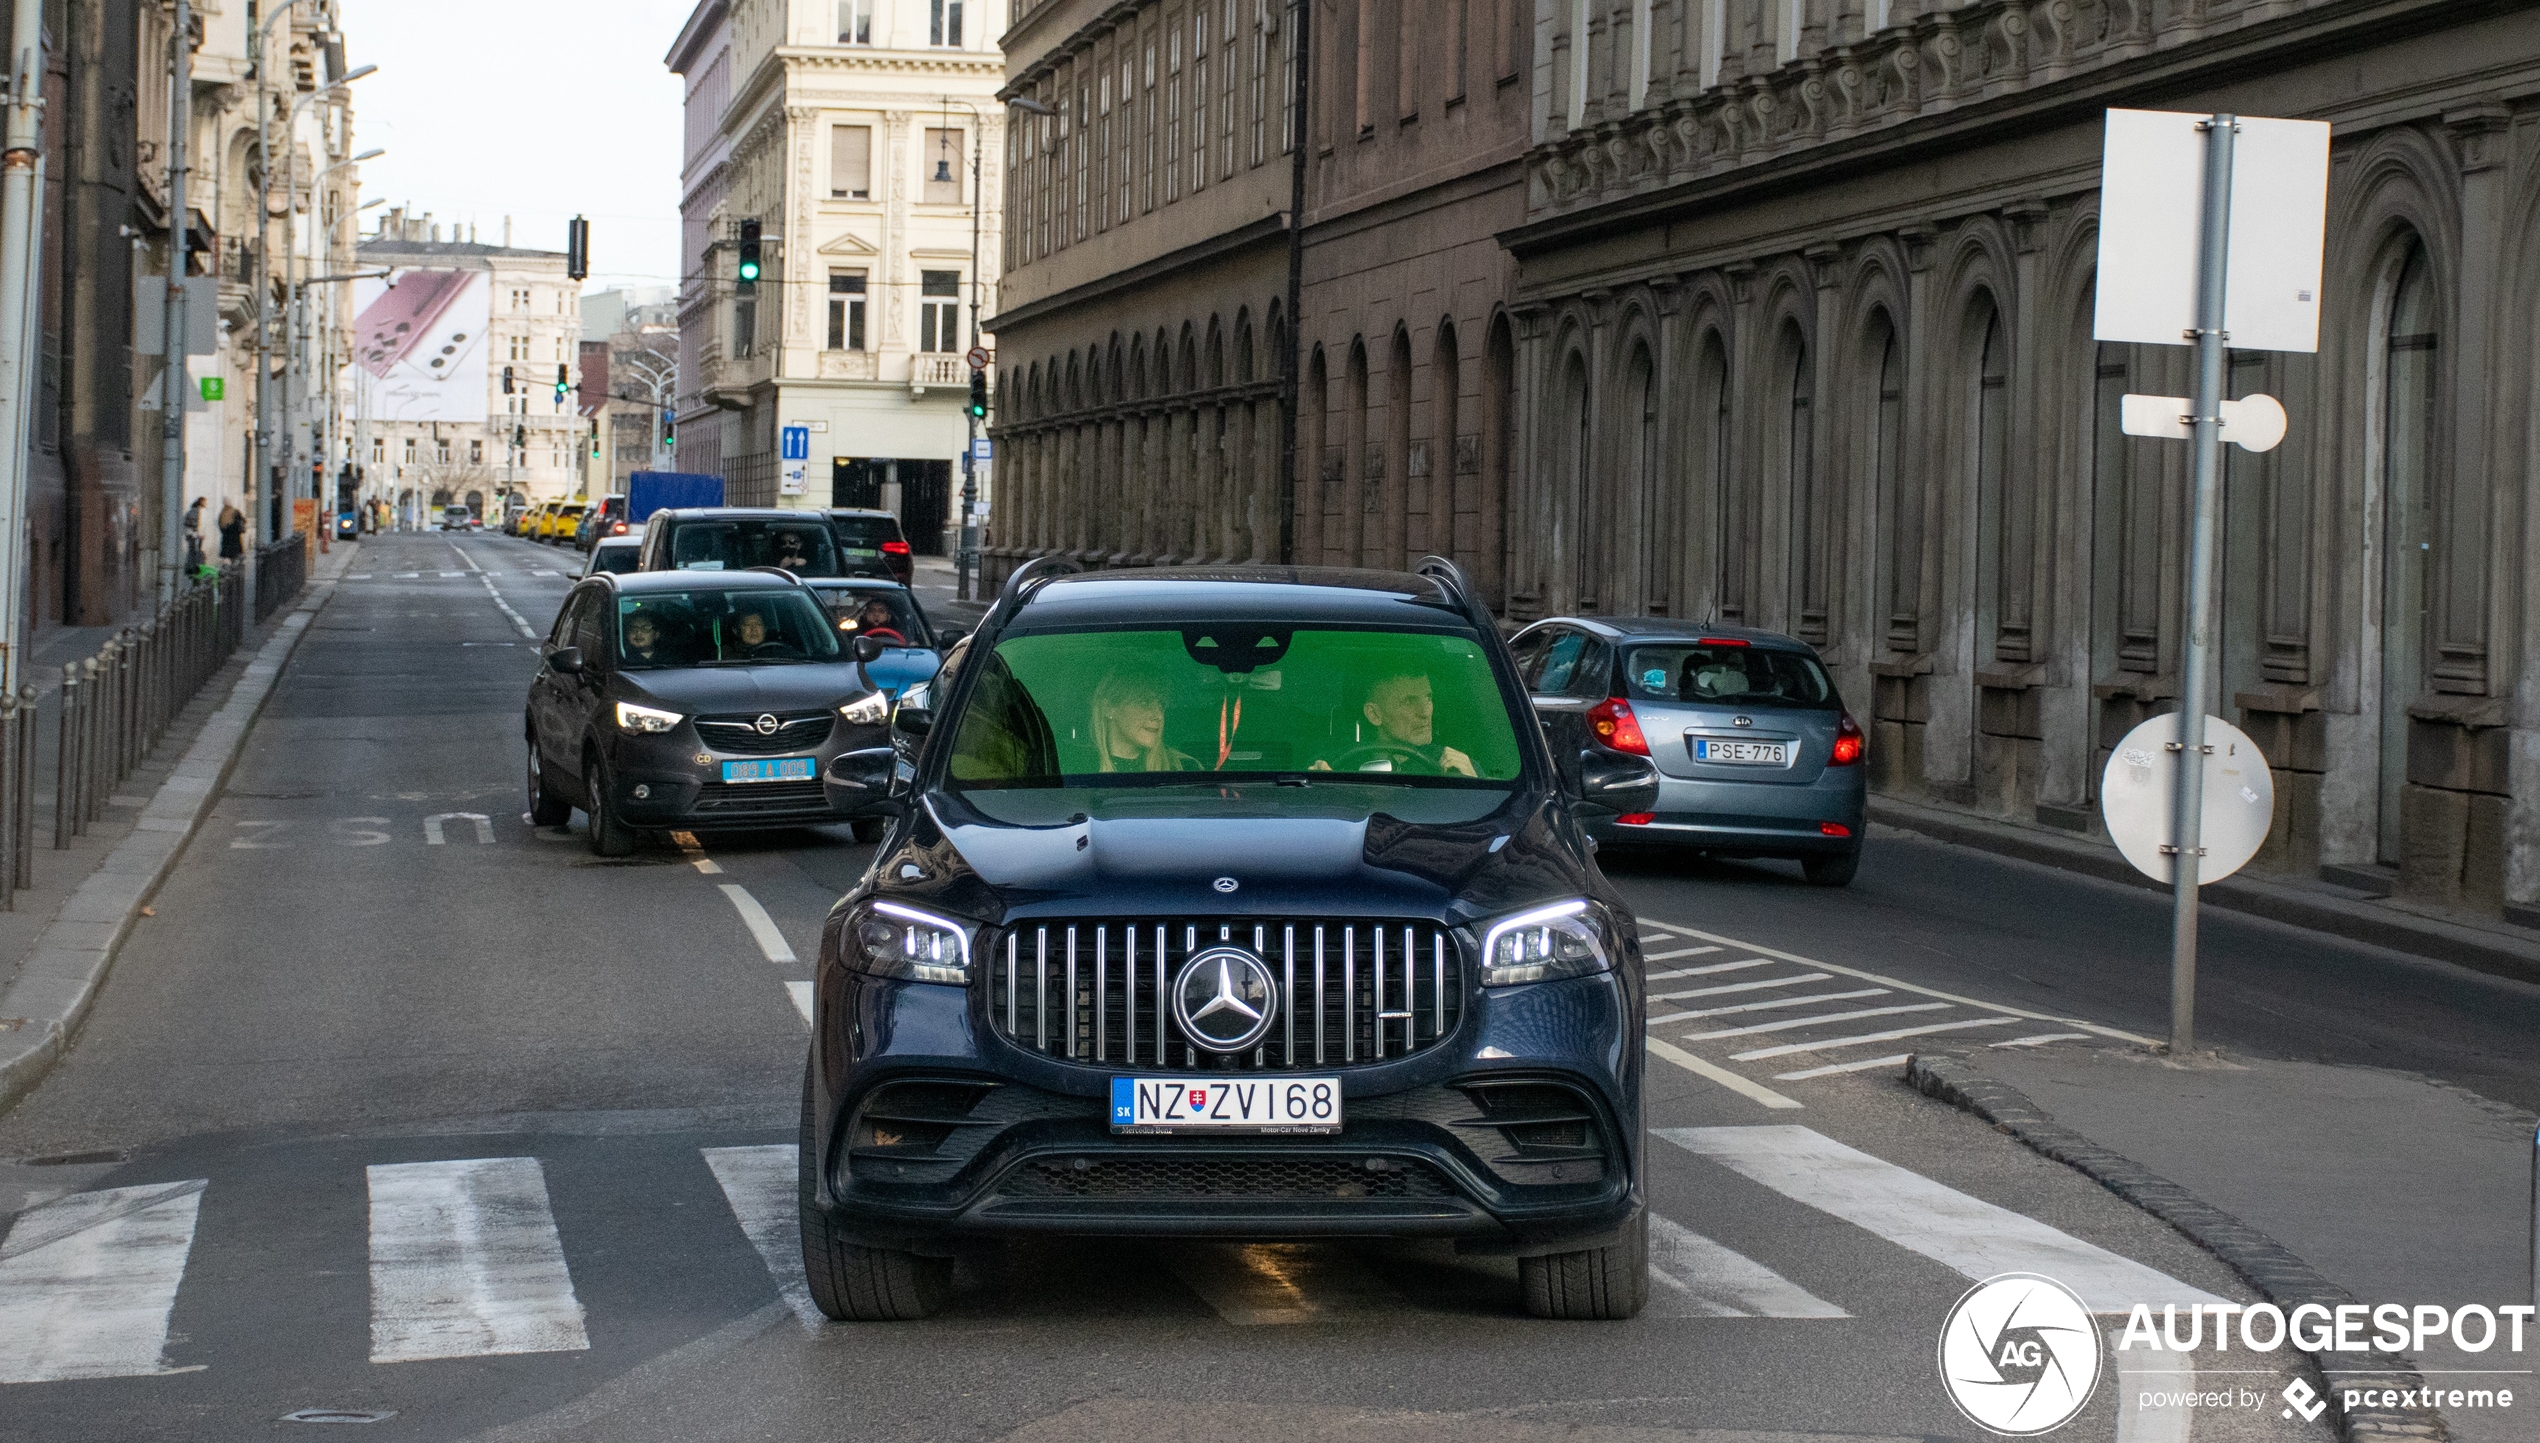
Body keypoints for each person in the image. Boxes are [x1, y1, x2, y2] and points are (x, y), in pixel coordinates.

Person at [1317, 671, 1476, 777]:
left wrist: (1473, 783)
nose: (1425, 712)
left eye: (1428, 698)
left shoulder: (1453, 765)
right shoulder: (1337, 766)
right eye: (1409, 701)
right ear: (1374, 714)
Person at [1090, 670, 1195, 773]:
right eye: (1144, 702)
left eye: (1161, 704)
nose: (1158, 715)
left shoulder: (1183, 768)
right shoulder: (1082, 766)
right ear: (1108, 709)